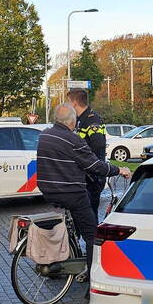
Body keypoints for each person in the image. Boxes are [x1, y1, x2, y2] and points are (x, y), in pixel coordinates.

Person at [37, 103, 130, 271]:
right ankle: (92, 279)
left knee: (74, 225)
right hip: (70, 193)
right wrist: (118, 170)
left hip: (49, 191)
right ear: (71, 121)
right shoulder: (73, 140)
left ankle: (68, 256)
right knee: (92, 235)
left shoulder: (45, 136)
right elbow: (95, 165)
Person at [67, 88, 107, 219]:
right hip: (82, 175)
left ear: (74, 103)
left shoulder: (91, 120)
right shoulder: (79, 119)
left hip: (92, 177)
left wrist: (85, 161)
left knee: (89, 216)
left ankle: (92, 239)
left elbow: (98, 145)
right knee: (79, 216)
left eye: (68, 102)